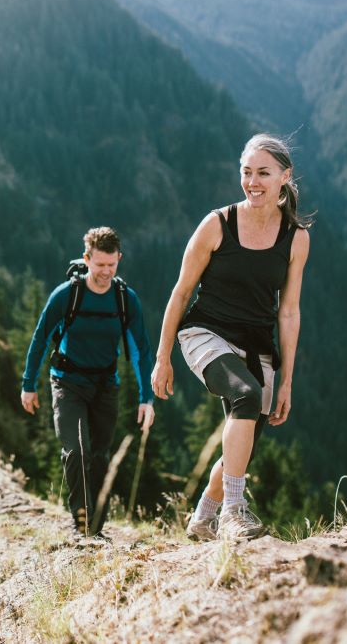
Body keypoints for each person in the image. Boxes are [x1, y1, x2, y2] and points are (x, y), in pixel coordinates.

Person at [150, 134, 311, 541]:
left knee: (243, 443)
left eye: (263, 173)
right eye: (246, 172)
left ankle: (204, 515)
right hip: (205, 332)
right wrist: (162, 356)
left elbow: (289, 312)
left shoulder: (296, 238)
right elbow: (181, 292)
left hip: (258, 345)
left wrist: (287, 379)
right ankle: (234, 513)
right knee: (245, 395)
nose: (252, 182)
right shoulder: (217, 224)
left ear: (284, 178)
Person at [21, 227, 155, 538]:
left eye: (112, 264)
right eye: (100, 265)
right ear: (87, 259)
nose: (106, 272)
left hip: (105, 385)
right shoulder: (67, 294)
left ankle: (96, 528)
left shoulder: (125, 300)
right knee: (76, 450)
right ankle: (81, 524)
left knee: (100, 456)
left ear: (119, 259)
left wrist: (146, 398)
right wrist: (28, 384)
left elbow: (141, 350)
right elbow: (40, 339)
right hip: (67, 382)